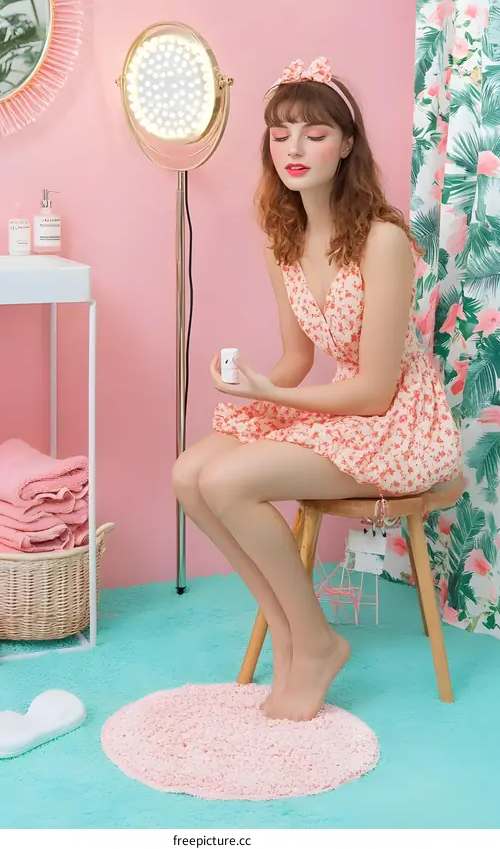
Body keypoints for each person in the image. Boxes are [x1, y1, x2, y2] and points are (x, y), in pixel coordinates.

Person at [172, 56, 462, 723]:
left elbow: (372, 392)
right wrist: (252, 387)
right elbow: (299, 357)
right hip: (343, 404)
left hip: (398, 420)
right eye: (280, 134)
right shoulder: (285, 239)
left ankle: (320, 642)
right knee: (190, 474)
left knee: (227, 481)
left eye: (314, 132)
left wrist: (268, 392)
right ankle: (291, 634)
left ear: (348, 144)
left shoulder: (384, 240)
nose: (294, 149)